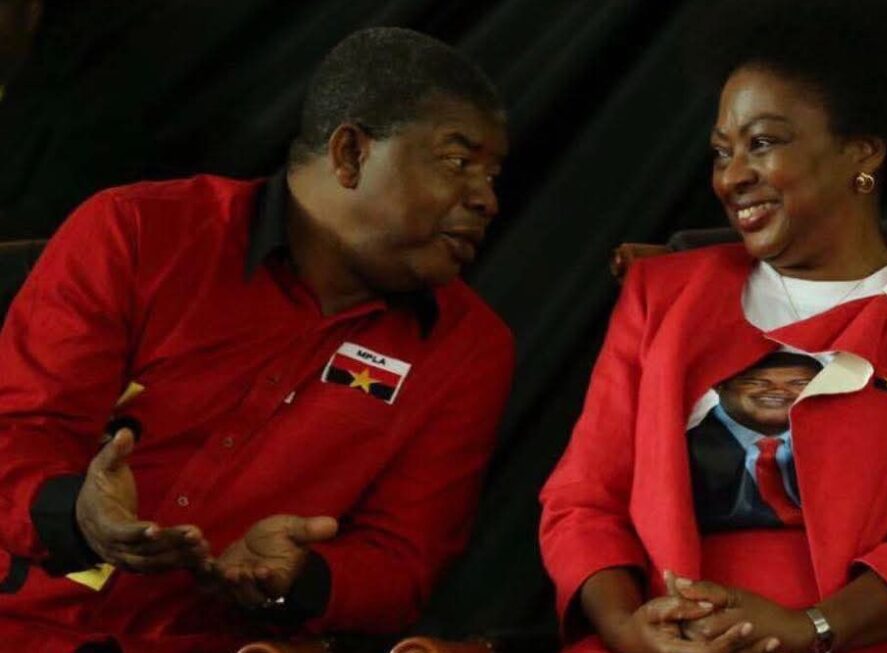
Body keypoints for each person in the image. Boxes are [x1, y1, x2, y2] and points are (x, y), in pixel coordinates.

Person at [539, 2, 887, 653]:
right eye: (722, 152)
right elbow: (583, 499)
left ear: (862, 150)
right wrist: (627, 630)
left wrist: (813, 627)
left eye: (764, 142)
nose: (731, 177)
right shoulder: (661, 296)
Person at [0, 26, 513, 653]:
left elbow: (403, 560)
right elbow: (21, 432)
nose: (486, 200)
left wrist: (301, 579)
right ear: (350, 154)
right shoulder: (136, 231)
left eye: (493, 177)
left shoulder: (470, 348)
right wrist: (79, 516)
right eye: (459, 163)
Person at [687, 352, 821, 532]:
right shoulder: (680, 451)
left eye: (800, 383)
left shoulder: (845, 447)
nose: (779, 391)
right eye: (755, 382)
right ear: (719, 385)